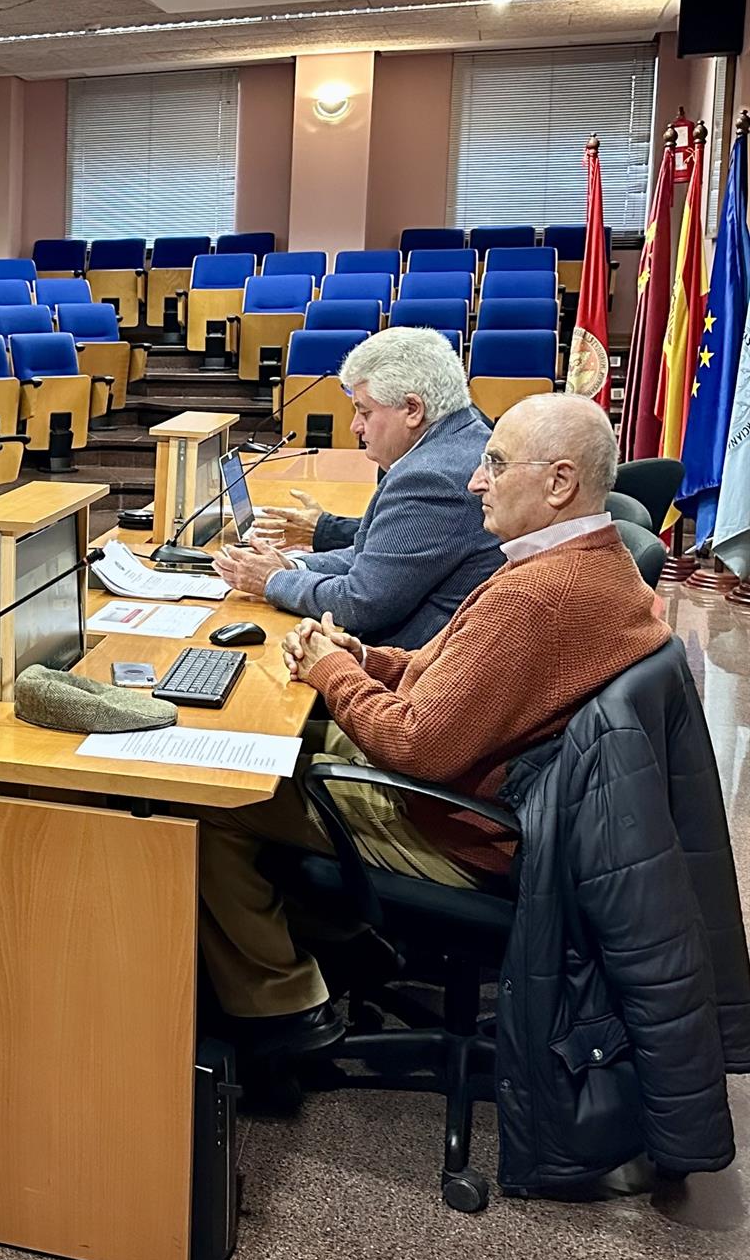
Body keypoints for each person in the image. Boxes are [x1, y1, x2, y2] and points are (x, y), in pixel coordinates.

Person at [195, 393, 672, 1057]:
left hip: (463, 831)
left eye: (496, 466)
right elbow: (446, 668)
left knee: (217, 794)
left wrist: (333, 673)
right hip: (508, 807)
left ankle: (282, 1009)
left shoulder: (536, 595)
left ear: (560, 483)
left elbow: (416, 746)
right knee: (280, 741)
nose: (476, 481)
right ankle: (342, 942)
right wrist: (367, 659)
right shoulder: (587, 557)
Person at [213, 328, 501, 649]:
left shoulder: (431, 477)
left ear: (412, 409)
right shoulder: (467, 432)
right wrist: (294, 565)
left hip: (406, 668)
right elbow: (375, 557)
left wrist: (270, 580)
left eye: (365, 411)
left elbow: (362, 602)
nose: (355, 427)